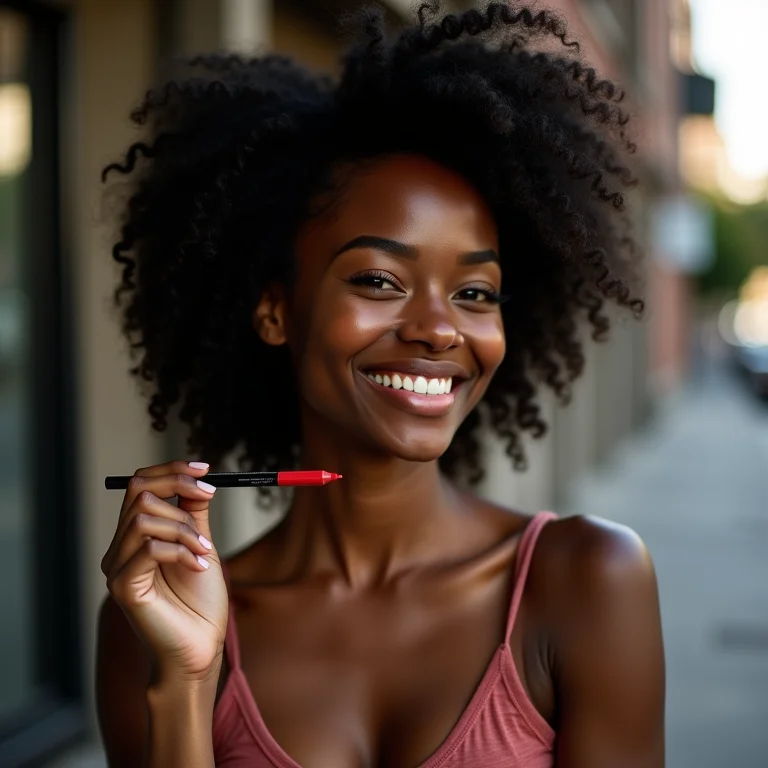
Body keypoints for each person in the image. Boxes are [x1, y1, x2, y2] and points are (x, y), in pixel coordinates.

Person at [95, 3, 665, 766]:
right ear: (274, 311)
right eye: (379, 279)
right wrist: (187, 681)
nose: (439, 328)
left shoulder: (587, 581)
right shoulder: (155, 617)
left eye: (475, 293)